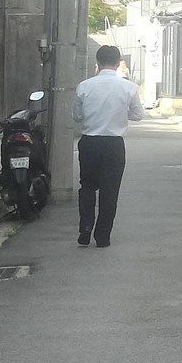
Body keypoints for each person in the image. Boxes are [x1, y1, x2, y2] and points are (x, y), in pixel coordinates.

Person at [73, 45, 144, 248]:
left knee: (86, 186)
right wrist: (120, 114)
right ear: (118, 62)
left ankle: (85, 228)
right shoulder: (128, 87)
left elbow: (77, 116)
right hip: (114, 145)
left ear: (97, 62)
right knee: (109, 191)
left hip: (89, 143)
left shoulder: (84, 86)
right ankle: (102, 236)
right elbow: (138, 115)